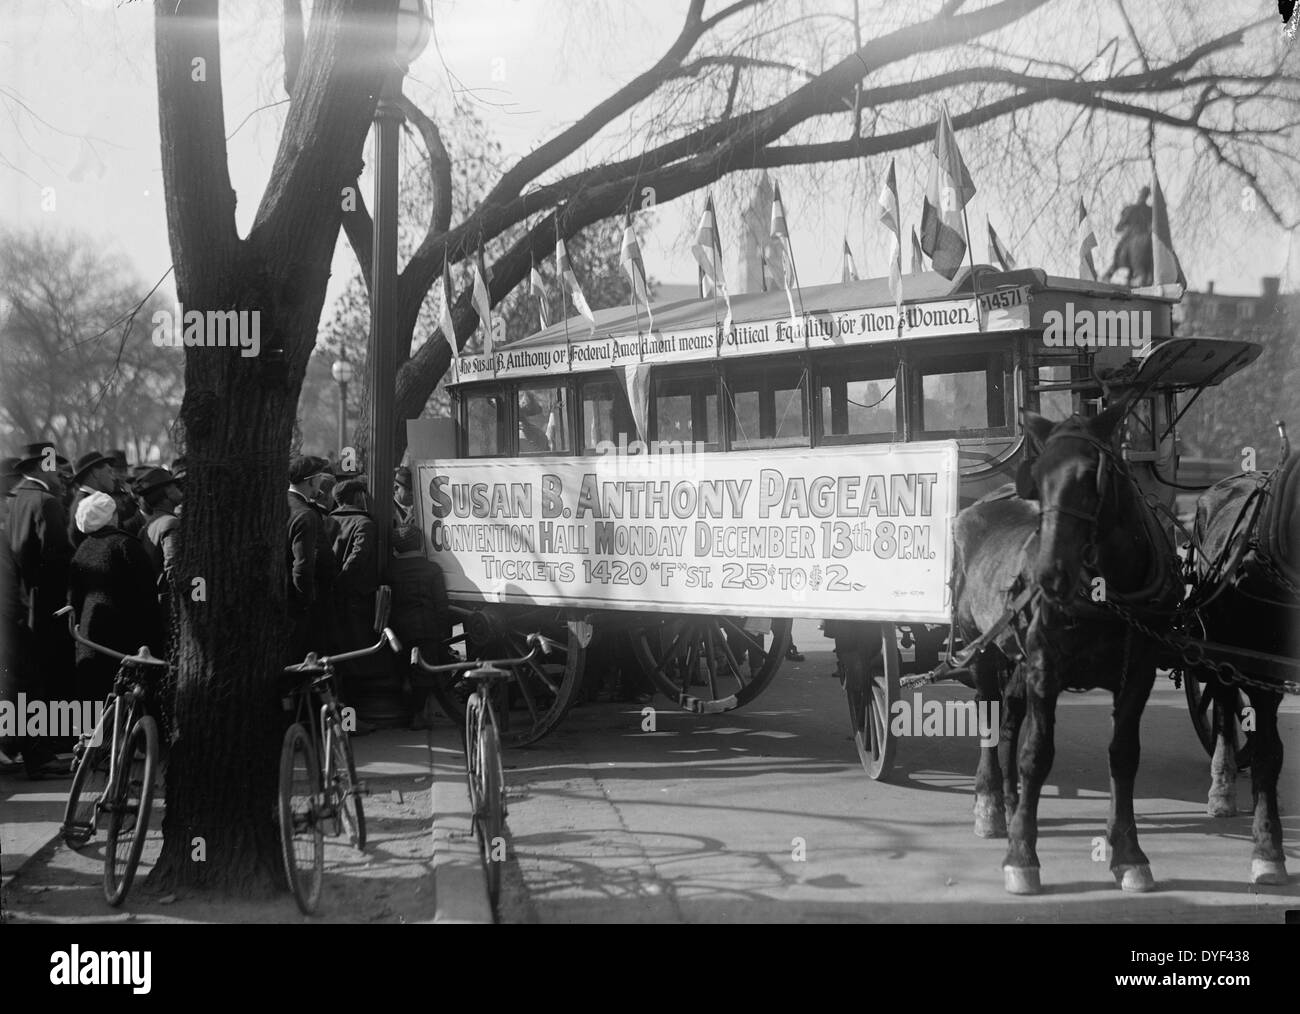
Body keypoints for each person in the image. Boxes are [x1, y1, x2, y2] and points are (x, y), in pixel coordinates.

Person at [6, 441, 74, 777]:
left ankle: (32, 748)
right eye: (53, 464)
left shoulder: (14, 500)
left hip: (18, 603)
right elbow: (58, 559)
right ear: (38, 467)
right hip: (45, 604)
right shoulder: (46, 502)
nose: (60, 472)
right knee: (40, 680)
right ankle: (40, 752)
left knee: (26, 681)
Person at [68, 492, 165, 706]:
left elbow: (73, 598)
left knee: (94, 704)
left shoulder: (83, 549)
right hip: (123, 641)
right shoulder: (125, 545)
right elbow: (147, 595)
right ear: (112, 517)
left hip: (90, 638)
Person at [386, 525, 451, 729]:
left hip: (399, 629)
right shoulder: (432, 570)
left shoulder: (390, 571)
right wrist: (444, 633)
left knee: (404, 668)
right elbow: (441, 604)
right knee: (424, 672)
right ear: (421, 543)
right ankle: (417, 713)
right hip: (427, 627)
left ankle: (409, 710)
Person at [286, 455, 333, 661]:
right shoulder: (305, 514)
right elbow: (303, 566)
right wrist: (305, 601)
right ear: (310, 480)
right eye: (320, 478)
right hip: (301, 607)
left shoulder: (283, 505)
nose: (321, 483)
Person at [67, 450, 120, 549]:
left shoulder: (85, 500)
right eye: (109, 471)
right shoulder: (85, 505)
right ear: (95, 473)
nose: (114, 477)